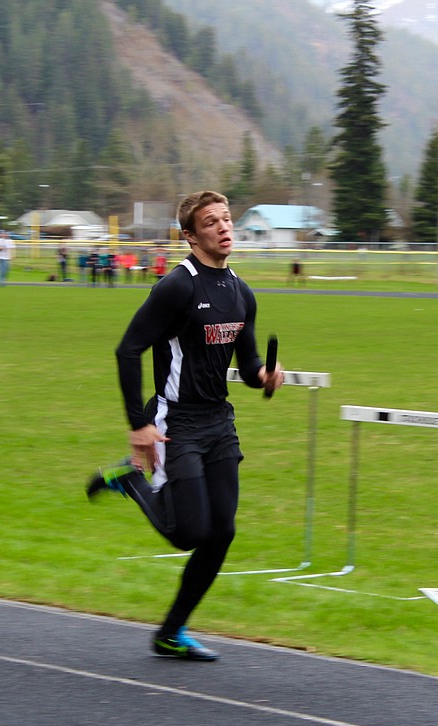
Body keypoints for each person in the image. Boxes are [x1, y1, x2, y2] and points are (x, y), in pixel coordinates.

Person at [86, 190, 283, 661]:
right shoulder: (177, 286)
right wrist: (139, 426)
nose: (224, 227)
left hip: (219, 422)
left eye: (227, 219)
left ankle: (172, 632)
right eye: (211, 221)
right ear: (190, 236)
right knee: (188, 533)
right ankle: (131, 479)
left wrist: (264, 377)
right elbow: (127, 350)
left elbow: (249, 361)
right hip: (175, 421)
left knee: (223, 533)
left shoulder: (241, 292)